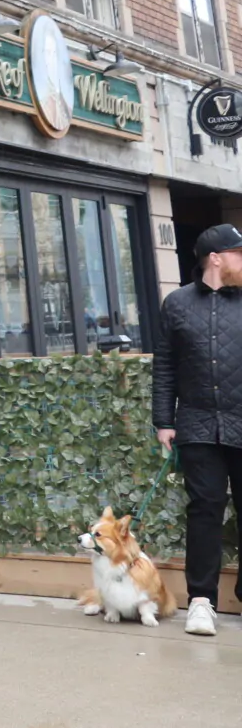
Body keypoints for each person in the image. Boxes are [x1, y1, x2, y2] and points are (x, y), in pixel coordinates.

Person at [152, 222, 242, 636]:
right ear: (216, 258)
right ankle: (201, 602)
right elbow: (165, 366)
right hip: (198, 424)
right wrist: (163, 421)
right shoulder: (177, 304)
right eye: (238, 253)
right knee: (204, 512)